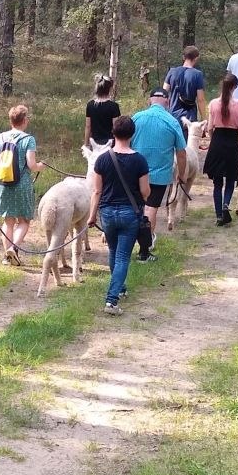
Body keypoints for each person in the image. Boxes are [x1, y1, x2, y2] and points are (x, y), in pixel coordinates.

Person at [86, 116, 150, 315]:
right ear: (133, 134)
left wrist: (92, 216)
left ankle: (120, 289)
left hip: (107, 213)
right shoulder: (139, 159)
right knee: (123, 256)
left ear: (113, 133)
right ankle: (111, 300)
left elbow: (96, 191)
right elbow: (145, 191)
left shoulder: (103, 159)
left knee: (114, 253)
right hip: (129, 213)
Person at [131, 88, 186, 260]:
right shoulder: (172, 121)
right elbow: (181, 152)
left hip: (135, 172)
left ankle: (126, 244)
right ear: (168, 102)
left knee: (134, 207)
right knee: (151, 208)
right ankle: (145, 249)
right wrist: (181, 175)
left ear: (149, 101)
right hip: (160, 175)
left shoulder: (136, 118)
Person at [0, 105, 45, 265]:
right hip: (22, 184)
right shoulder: (28, 139)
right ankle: (13, 248)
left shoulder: (0, 138)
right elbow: (32, 165)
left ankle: (7, 258)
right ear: (24, 120)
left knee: (8, 222)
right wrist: (41, 166)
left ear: (11, 120)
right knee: (24, 221)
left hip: (3, 183)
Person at [202, 73, 238, 226]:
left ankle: (219, 215)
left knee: (217, 182)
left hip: (217, 143)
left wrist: (214, 136)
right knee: (231, 179)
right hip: (232, 142)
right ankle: (226, 205)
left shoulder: (213, 103)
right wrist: (233, 129)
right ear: (235, 87)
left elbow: (209, 128)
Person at [163, 45, 208, 126]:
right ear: (196, 58)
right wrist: (204, 119)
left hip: (172, 116)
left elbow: (164, 92)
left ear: (183, 57)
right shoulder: (197, 75)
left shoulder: (172, 71)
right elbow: (200, 99)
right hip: (189, 117)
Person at [83, 74, 121, 148]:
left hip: (94, 143)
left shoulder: (90, 105)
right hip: (110, 144)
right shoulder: (114, 106)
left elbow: (88, 126)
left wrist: (86, 144)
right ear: (110, 89)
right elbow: (116, 127)